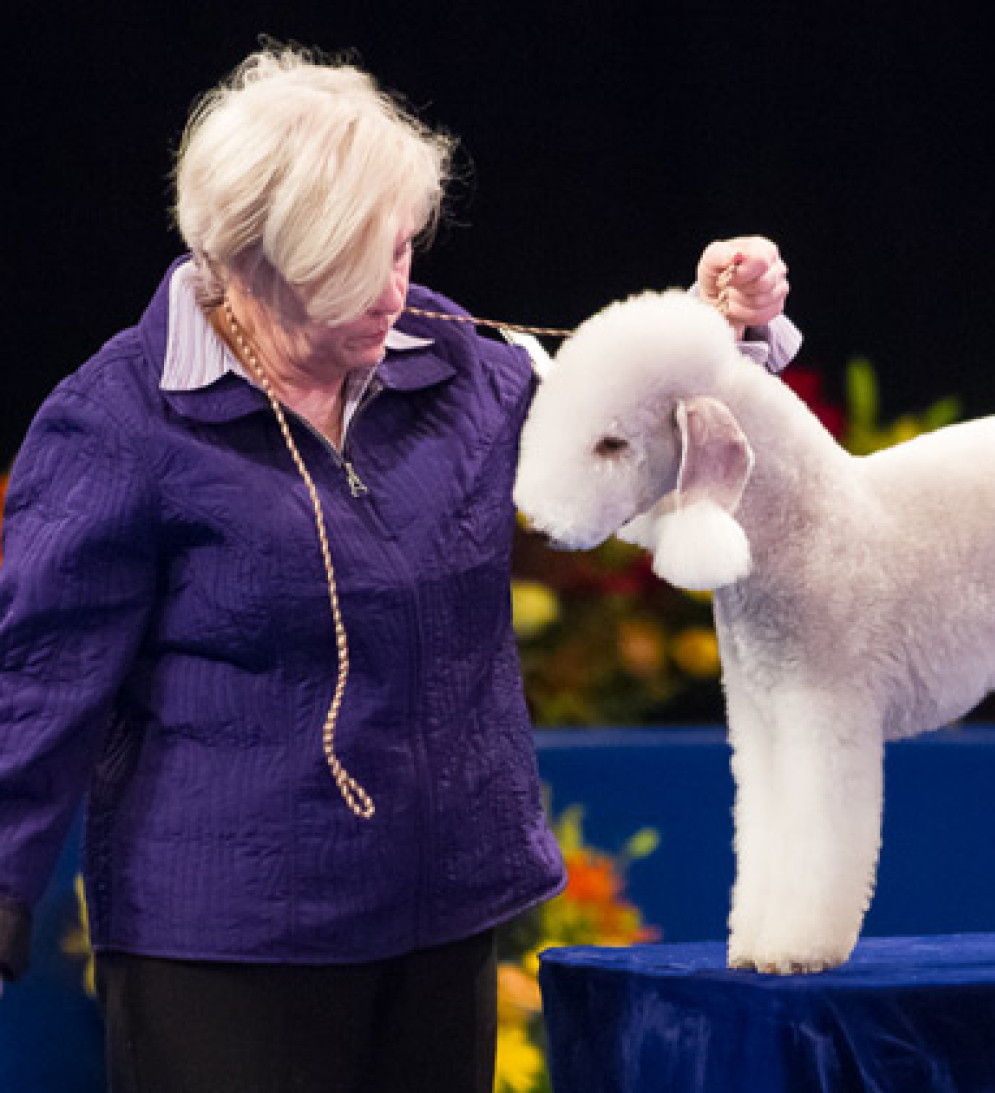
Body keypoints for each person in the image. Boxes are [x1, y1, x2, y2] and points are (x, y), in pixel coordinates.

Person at [0, 46, 795, 1091]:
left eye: (405, 252)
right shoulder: (120, 420)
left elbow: (625, 433)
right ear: (260, 262)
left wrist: (720, 329)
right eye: (358, 268)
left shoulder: (452, 357)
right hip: (228, 944)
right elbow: (37, 678)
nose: (395, 292)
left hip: (441, 920)